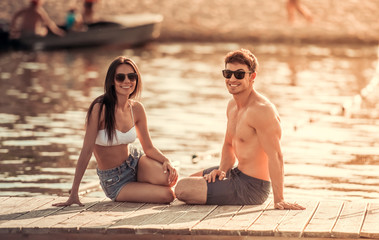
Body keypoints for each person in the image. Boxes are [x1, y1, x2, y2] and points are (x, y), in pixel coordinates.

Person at [175, 49, 305, 210]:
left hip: (252, 188)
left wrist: (279, 199)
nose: (232, 79)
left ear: (252, 76)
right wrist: (222, 171)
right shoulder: (232, 106)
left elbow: (276, 155)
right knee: (186, 182)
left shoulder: (262, 110)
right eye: (228, 73)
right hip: (235, 173)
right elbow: (229, 145)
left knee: (182, 188)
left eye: (239, 74)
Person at [53, 56, 178, 207]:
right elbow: (86, 151)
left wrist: (166, 160)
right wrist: (74, 194)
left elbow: (149, 148)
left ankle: (143, 183)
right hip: (115, 179)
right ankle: (141, 187)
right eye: (120, 77)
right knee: (168, 195)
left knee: (169, 179)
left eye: (132, 76)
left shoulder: (137, 109)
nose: (127, 81)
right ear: (112, 81)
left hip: (135, 162)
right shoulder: (100, 108)